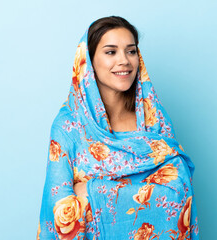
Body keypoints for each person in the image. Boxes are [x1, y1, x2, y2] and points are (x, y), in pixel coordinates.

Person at [37, 16, 200, 240]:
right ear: (88, 60)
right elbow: (59, 209)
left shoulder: (153, 119)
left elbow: (178, 190)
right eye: (111, 52)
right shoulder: (69, 126)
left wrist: (91, 192)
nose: (124, 60)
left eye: (131, 51)